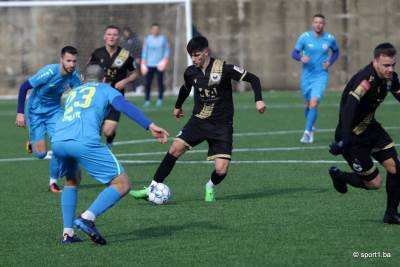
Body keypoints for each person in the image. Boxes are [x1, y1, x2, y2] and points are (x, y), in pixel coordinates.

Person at [130, 36, 266, 202]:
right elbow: (185, 89)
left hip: (222, 125)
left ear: (205, 52)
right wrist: (178, 106)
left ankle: (209, 186)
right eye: (191, 55)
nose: (193, 59)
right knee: (174, 148)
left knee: (221, 170)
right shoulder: (190, 72)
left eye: (196, 55)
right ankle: (152, 187)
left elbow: (254, 79)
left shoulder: (223, 68)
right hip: (199, 121)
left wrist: (258, 99)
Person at [52, 64, 169, 244]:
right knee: (122, 183)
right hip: (83, 141)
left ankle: (68, 234)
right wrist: (150, 125)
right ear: (105, 78)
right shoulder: (106, 88)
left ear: (83, 78)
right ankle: (87, 217)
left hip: (59, 141)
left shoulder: (73, 92)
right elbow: (124, 105)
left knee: (71, 181)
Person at [328, 43, 400, 224]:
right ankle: (340, 176)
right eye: (386, 65)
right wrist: (344, 140)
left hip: (371, 129)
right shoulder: (365, 80)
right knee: (374, 183)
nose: (390, 69)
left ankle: (391, 214)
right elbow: (348, 108)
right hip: (352, 137)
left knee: (396, 168)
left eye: (393, 64)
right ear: (375, 61)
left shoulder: (391, 78)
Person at [15, 46, 82, 193]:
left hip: (55, 112)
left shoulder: (74, 76)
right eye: (68, 60)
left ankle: (53, 182)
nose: (71, 64)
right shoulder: (49, 71)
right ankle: (33, 145)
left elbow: (80, 94)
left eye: (74, 61)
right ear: (61, 60)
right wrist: (20, 113)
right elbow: (23, 87)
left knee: (60, 144)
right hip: (35, 113)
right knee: (41, 154)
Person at [291, 14, 339, 144]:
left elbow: (336, 51)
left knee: (314, 102)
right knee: (307, 104)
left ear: (324, 24)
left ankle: (307, 133)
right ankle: (311, 127)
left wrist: (330, 62)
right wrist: (301, 58)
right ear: (313, 24)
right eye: (316, 22)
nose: (318, 25)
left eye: (321, 23)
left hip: (321, 75)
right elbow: (294, 53)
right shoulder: (304, 37)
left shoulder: (329, 38)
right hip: (307, 76)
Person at [88, 25, 137, 147]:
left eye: (115, 34)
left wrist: (125, 81)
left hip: (116, 97)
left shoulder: (125, 55)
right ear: (104, 37)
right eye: (109, 34)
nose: (112, 37)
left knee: (108, 131)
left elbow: (135, 74)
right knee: (95, 131)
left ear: (118, 37)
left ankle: (110, 139)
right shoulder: (97, 54)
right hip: (98, 97)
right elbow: (88, 72)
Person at [141, 23, 170, 108]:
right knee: (147, 83)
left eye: (157, 29)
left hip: (159, 65)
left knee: (160, 83)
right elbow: (144, 51)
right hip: (149, 64)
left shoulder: (163, 39)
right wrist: (143, 63)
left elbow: (167, 51)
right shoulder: (147, 39)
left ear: (159, 30)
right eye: (154, 29)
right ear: (151, 30)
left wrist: (164, 61)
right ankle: (147, 100)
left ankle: (160, 99)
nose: (155, 31)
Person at [121, 26, 144, 93]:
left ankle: (139, 87)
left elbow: (139, 49)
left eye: (126, 32)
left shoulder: (135, 40)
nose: (125, 34)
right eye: (124, 33)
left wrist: (139, 57)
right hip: (128, 61)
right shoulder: (125, 41)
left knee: (135, 73)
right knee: (129, 75)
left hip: (134, 60)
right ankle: (133, 88)